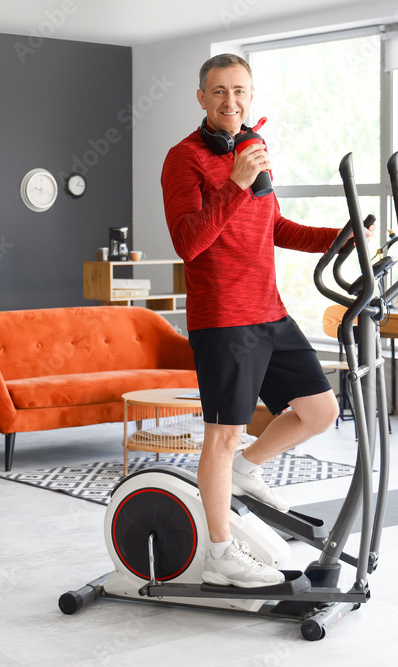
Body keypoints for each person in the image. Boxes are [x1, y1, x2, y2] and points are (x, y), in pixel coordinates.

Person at [162, 53, 367, 588]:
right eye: (220, 91)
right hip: (224, 319)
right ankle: (219, 553)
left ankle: (249, 472)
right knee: (222, 437)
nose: (231, 101)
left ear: (251, 97)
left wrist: (340, 237)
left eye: (240, 91)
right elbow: (189, 244)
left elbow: (274, 226)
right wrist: (233, 183)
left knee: (320, 411)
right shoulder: (182, 159)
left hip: (269, 310)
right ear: (202, 98)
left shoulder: (253, 147)